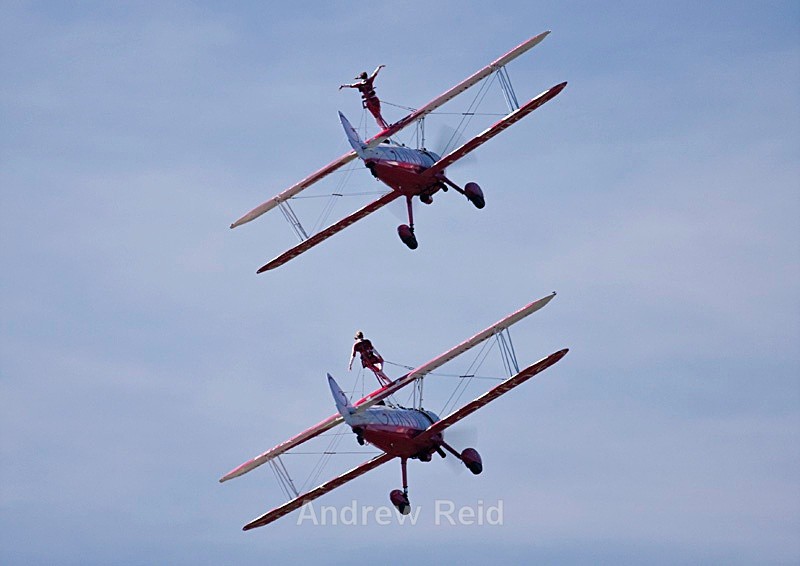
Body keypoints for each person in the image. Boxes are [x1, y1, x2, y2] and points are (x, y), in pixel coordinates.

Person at [339, 65, 390, 130]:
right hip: (371, 101)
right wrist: (379, 67)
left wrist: (343, 86)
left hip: (371, 101)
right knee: (377, 115)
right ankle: (383, 128)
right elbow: (374, 74)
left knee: (377, 116)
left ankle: (384, 127)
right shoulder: (364, 83)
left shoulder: (363, 83)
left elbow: (351, 85)